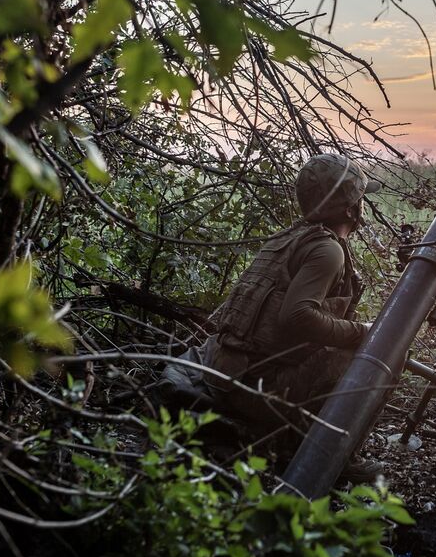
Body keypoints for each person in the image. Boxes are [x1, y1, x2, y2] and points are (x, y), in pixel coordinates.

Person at [156, 153, 380, 477]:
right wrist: (362, 331)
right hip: (254, 386)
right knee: (382, 353)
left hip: (226, 369)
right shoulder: (327, 250)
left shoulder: (289, 237)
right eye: (359, 199)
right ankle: (334, 458)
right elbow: (297, 317)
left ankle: (292, 437)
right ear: (350, 209)